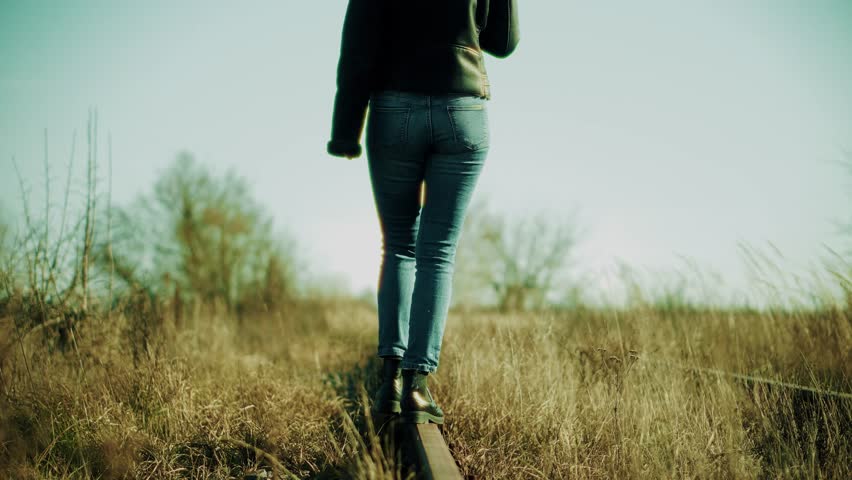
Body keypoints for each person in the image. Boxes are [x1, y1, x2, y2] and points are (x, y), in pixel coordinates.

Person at [326, 1, 520, 425]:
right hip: (461, 111)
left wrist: (345, 131)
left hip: (393, 111)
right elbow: (502, 43)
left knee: (398, 246)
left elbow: (358, 49)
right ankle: (417, 386)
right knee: (437, 252)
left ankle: (390, 380)